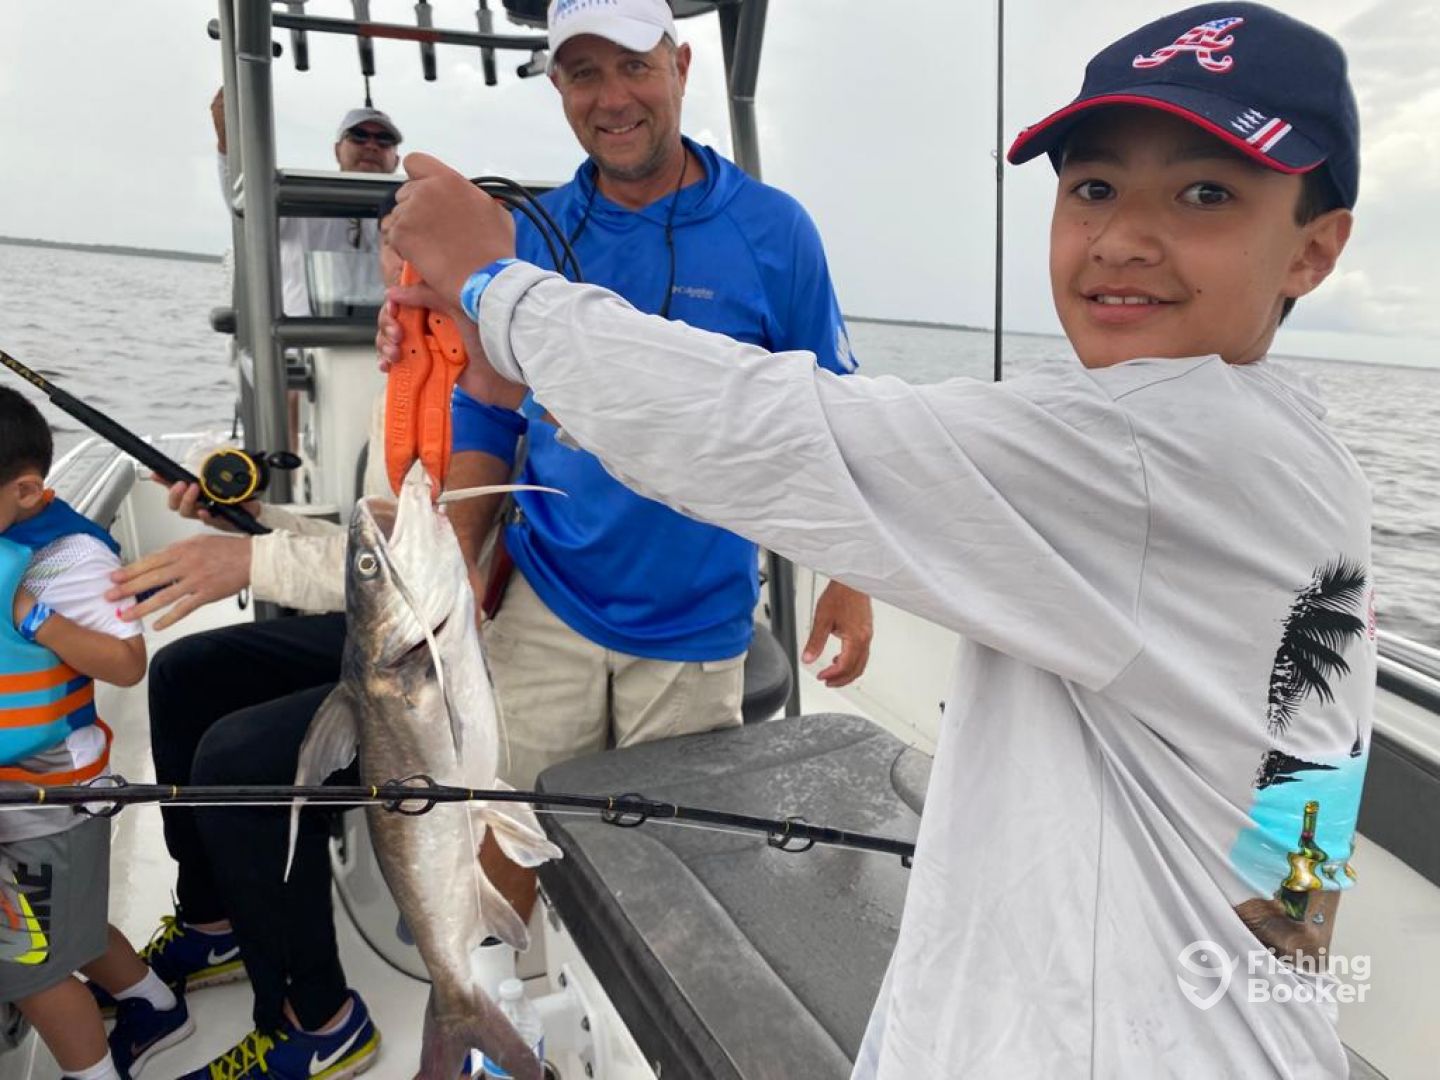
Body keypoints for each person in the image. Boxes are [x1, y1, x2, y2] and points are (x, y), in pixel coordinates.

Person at [384, 3, 1374, 1075]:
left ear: (1314, 249)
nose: (1123, 238)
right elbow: (1299, 823)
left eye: (1206, 193)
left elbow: (784, 432)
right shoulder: (1306, 458)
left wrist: (494, 286)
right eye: (1094, 187)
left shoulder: (1147, 453)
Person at [426, 0, 876, 922]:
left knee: (671, 873)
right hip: (547, 592)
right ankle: (487, 989)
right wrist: (456, 556)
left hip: (695, 616)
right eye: (583, 73)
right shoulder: (531, 232)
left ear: (681, 66)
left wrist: (852, 572)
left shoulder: (774, 230)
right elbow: (489, 403)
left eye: (634, 65)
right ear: (558, 87)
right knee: (507, 825)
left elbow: (829, 411)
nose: (612, 98)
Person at [0, 387, 193, 1079]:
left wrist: (32, 617)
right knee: (65, 928)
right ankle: (154, 1003)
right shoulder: (8, 530)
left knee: (30, 968)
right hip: (20, 789)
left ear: (26, 491)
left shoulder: (69, 559)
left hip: (49, 789)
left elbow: (126, 663)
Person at [211, 88, 403, 317]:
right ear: (337, 150)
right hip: (299, 335)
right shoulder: (292, 198)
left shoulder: (411, 215)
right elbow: (243, 197)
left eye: (384, 140)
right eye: (358, 136)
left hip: (386, 334)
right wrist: (227, 140)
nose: (371, 146)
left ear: (396, 160)